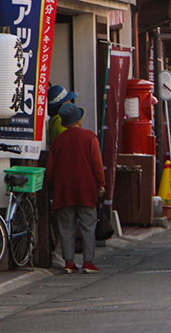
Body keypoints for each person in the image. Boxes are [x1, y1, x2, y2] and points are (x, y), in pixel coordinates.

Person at [45, 103, 106, 274]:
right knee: (88, 226)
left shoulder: (58, 142)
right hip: (86, 189)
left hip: (63, 191)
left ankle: (69, 262)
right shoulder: (89, 138)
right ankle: (88, 262)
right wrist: (101, 184)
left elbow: (50, 169)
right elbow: (97, 165)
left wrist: (53, 187)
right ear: (79, 120)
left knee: (66, 227)